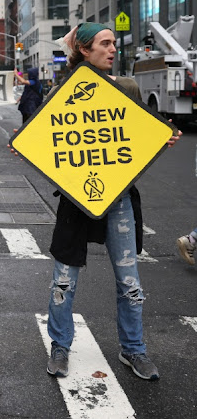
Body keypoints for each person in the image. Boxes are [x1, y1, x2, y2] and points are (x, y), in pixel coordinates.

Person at [43, 22, 181, 381]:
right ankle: (60, 346)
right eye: (105, 43)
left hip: (119, 199)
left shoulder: (128, 87)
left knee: (130, 284)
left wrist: (158, 139)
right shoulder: (62, 91)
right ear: (84, 50)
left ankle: (133, 351)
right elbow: (46, 139)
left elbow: (134, 138)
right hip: (76, 201)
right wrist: (26, 142)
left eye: (114, 43)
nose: (113, 49)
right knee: (63, 281)